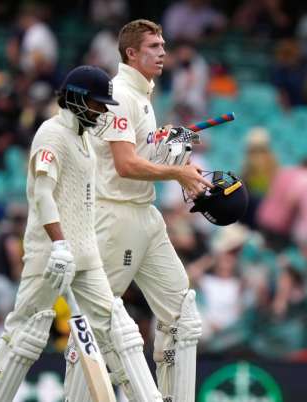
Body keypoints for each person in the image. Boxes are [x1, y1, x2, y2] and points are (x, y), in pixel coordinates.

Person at [0, 66, 162, 402]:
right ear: (75, 98)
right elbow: (43, 194)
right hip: (51, 255)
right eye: (97, 103)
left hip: (86, 254)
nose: (103, 110)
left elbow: (125, 156)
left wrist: (160, 142)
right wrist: (59, 244)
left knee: (116, 327)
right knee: (24, 336)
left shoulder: (86, 136)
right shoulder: (51, 134)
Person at [81, 19, 212, 402]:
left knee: (183, 318)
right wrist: (177, 172)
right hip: (115, 216)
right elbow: (125, 165)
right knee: (96, 327)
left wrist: (171, 146)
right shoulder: (119, 93)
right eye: (154, 46)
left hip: (145, 215)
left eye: (164, 44)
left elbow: (142, 156)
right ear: (131, 53)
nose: (163, 52)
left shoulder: (143, 95)